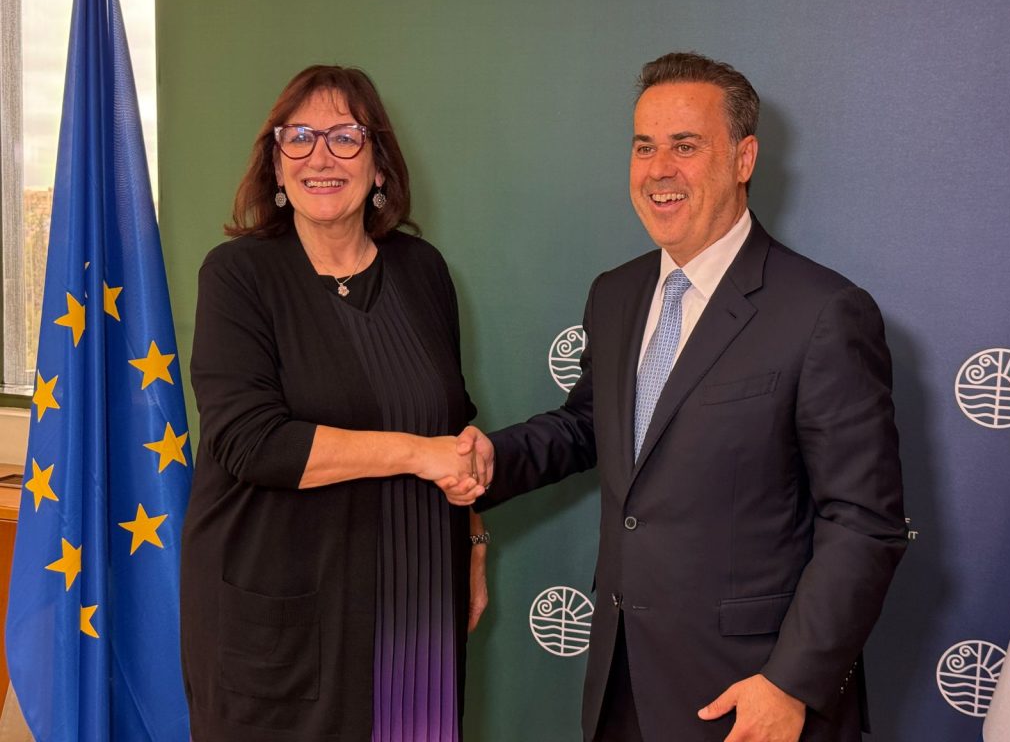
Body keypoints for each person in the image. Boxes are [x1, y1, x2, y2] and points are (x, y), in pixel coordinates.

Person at [454, 52, 907, 742]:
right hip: (621, 683)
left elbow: (863, 522)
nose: (658, 170)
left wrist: (791, 683)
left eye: (685, 146)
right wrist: (490, 460)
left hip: (750, 697)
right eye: (644, 147)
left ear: (744, 158)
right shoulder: (616, 293)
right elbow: (591, 425)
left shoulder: (823, 312)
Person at [180, 65, 488, 742]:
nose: (320, 157)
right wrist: (417, 454)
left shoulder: (423, 271)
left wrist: (472, 545)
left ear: (379, 164)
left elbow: (452, 425)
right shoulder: (238, 275)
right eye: (299, 138)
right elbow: (253, 443)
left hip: (417, 606)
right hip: (283, 623)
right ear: (276, 165)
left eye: (345, 137)